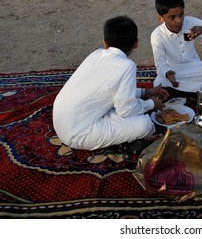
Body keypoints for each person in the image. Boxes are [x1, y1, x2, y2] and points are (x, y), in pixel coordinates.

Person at [53, 15, 169, 150]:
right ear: (136, 43)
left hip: (61, 123)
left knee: (126, 107)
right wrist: (151, 104)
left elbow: (111, 89)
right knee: (145, 124)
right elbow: (126, 110)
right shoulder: (127, 65)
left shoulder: (96, 54)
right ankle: (124, 143)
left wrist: (145, 92)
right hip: (78, 134)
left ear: (104, 42)